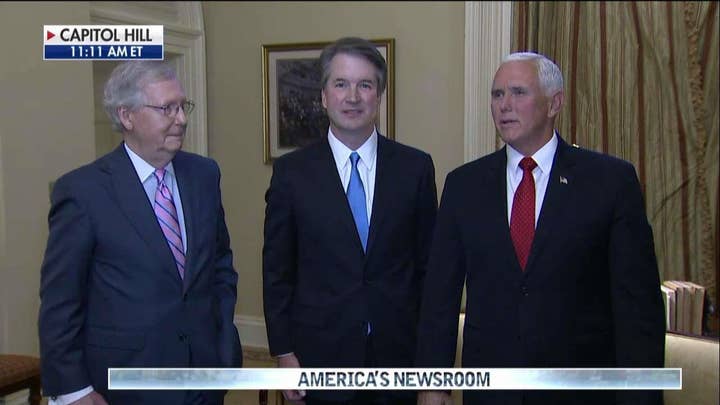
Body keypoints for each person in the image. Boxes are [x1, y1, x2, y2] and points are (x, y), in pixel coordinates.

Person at [415, 52, 665, 405]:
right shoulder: (464, 186)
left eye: (518, 93)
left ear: (554, 104)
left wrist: (642, 395)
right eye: (497, 94)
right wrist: (431, 382)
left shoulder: (609, 182)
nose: (504, 105)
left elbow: (637, 308)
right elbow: (439, 298)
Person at [38, 61, 242, 405]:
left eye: (182, 106)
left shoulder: (204, 175)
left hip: (203, 375)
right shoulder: (83, 191)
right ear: (126, 116)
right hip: (126, 383)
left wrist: (222, 340)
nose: (181, 118)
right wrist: (74, 389)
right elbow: (61, 301)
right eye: (167, 108)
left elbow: (219, 265)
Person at [263, 37, 437, 404]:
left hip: (398, 361)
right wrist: (284, 352)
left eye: (365, 85)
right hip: (320, 360)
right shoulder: (292, 174)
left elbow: (428, 274)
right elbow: (277, 271)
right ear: (324, 96)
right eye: (340, 84)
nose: (352, 97)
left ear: (379, 96)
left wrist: (430, 369)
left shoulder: (415, 169)